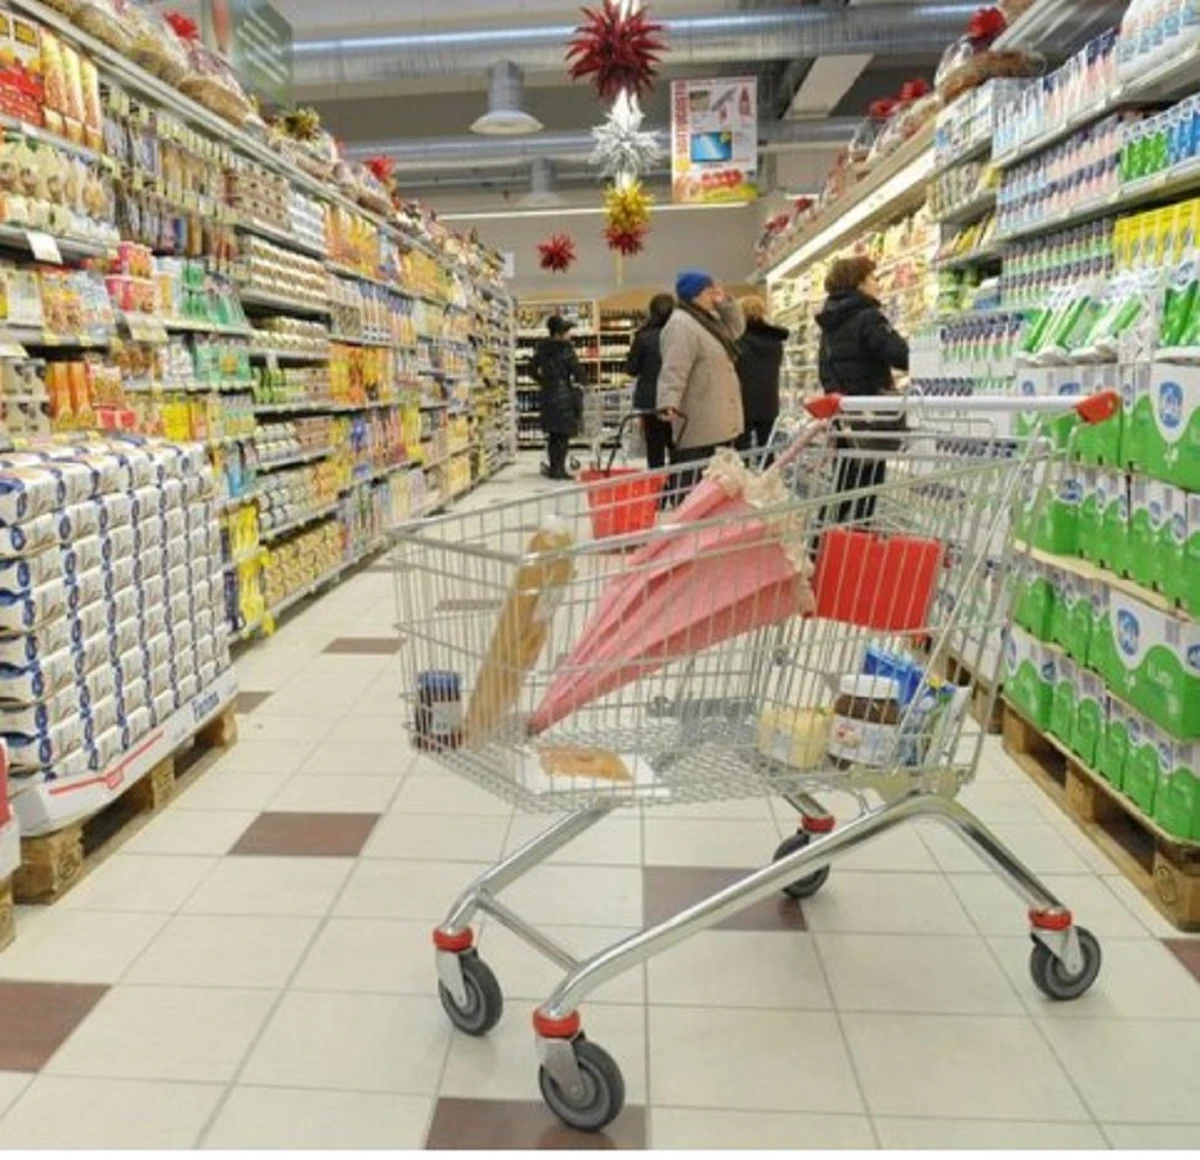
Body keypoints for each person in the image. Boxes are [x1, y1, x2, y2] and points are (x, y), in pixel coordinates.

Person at [816, 255, 910, 524]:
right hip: (871, 416)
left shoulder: (830, 320)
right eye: (873, 278)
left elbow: (825, 370)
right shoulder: (868, 317)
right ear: (859, 283)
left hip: (846, 416)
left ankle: (824, 546)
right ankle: (853, 545)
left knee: (844, 484)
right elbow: (899, 354)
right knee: (867, 486)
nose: (878, 283)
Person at [657, 269, 745, 501]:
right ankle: (689, 533)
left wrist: (725, 301)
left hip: (718, 419)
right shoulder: (682, 325)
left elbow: (736, 329)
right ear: (695, 295)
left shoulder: (707, 320)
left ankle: (707, 532)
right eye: (709, 291)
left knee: (715, 491)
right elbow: (674, 367)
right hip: (700, 420)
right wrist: (668, 402)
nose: (713, 295)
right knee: (694, 490)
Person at [529, 314, 585, 480]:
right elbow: (577, 370)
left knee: (554, 434)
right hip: (564, 395)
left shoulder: (541, 348)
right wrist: (583, 383)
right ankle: (559, 470)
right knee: (563, 435)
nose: (569, 335)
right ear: (559, 333)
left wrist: (543, 381)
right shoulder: (566, 349)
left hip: (548, 394)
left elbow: (531, 369)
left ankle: (555, 467)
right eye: (567, 331)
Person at [734, 296, 789, 463]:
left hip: (743, 402)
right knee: (767, 451)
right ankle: (768, 485)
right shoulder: (775, 340)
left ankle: (743, 487)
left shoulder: (738, 340)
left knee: (741, 453)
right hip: (769, 401)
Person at [624, 293, 675, 470]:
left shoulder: (643, 337)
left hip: (650, 400)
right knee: (677, 446)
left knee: (655, 448)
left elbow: (631, 370)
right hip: (676, 398)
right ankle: (679, 489)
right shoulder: (679, 334)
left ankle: (658, 489)